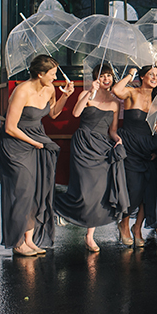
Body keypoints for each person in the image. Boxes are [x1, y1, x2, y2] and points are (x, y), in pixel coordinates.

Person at [0, 54, 74, 256]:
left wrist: (65, 95)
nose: (55, 77)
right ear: (40, 74)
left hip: (37, 140)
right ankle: (17, 242)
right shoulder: (21, 91)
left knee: (36, 191)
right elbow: (10, 127)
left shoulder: (50, 89)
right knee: (22, 192)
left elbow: (53, 113)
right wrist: (35, 143)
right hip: (16, 144)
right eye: (52, 73)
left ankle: (29, 240)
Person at [55, 64, 128, 252]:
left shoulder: (115, 102)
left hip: (102, 147)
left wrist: (118, 140)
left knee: (97, 192)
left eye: (109, 76)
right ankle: (61, 209)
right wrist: (90, 93)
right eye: (102, 76)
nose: (106, 79)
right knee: (84, 190)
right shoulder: (86, 95)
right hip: (83, 145)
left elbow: (112, 131)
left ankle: (90, 236)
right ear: (96, 78)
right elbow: (76, 113)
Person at [112, 65, 157, 247]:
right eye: (151, 74)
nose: (155, 78)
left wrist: (154, 148)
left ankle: (137, 228)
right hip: (130, 147)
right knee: (133, 189)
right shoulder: (131, 92)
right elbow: (116, 90)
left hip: (147, 147)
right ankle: (124, 225)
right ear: (142, 76)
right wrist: (130, 73)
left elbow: (155, 126)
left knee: (148, 191)